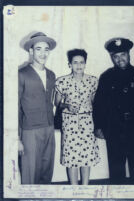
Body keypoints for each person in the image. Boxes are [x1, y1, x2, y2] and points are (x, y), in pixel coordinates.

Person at [93, 38, 134, 184]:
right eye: (115, 56)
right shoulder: (106, 77)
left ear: (129, 54)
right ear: (112, 57)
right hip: (114, 128)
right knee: (116, 168)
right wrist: (98, 126)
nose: (120, 59)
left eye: (123, 54)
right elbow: (99, 104)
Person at [55, 49, 100, 185]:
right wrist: (67, 105)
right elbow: (56, 103)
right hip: (69, 123)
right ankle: (74, 190)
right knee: (72, 159)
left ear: (85, 63)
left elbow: (94, 102)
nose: (79, 65)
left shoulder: (93, 81)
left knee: (86, 158)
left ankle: (85, 189)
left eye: (81, 62)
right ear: (70, 64)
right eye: (75, 62)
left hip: (87, 123)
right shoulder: (61, 81)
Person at [18, 32, 56, 184]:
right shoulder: (21, 74)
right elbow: (13, 108)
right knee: (30, 173)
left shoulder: (51, 75)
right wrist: (16, 138)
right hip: (30, 131)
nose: (43, 53)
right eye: (38, 49)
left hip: (49, 128)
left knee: (47, 172)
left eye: (46, 49)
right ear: (31, 51)